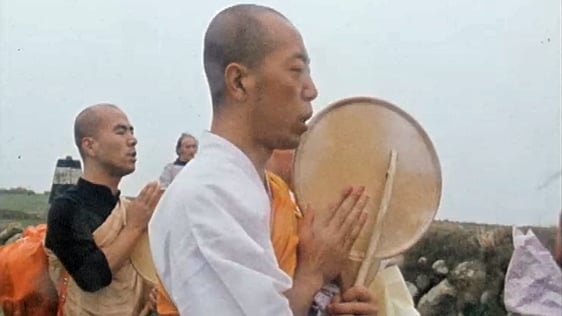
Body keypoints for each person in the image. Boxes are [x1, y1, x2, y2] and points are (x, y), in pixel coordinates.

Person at [149, 4, 371, 315]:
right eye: (296, 70)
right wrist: (310, 275)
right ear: (239, 82)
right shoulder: (206, 196)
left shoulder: (270, 192)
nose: (311, 90)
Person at [44, 103, 161, 316]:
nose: (132, 140)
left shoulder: (127, 208)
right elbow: (91, 277)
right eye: (120, 131)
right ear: (90, 146)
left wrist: (154, 298)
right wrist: (135, 226)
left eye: (132, 131)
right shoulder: (67, 208)